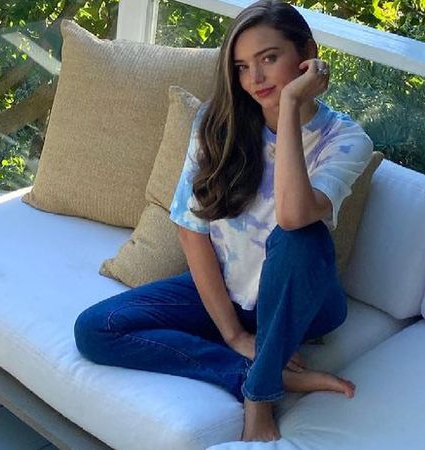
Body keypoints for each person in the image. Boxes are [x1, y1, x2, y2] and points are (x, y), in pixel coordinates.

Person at [73, 0, 373, 442]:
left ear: (307, 54)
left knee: (299, 235)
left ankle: (259, 397)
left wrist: (291, 104)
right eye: (242, 67)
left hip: (302, 302)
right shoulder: (217, 124)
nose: (255, 79)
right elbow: (191, 229)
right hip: (228, 292)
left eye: (269, 58)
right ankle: (251, 372)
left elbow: (293, 215)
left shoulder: (345, 139)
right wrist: (232, 335)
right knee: (96, 328)